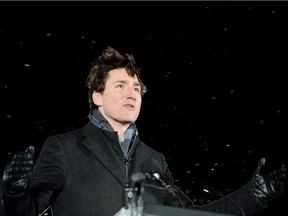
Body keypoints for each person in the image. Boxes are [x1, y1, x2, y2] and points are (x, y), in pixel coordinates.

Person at [0, 46, 286, 216]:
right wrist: (13, 192)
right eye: (120, 85)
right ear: (97, 97)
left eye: (136, 88)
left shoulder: (154, 160)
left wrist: (253, 195)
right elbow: (27, 211)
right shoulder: (65, 148)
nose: (132, 94)